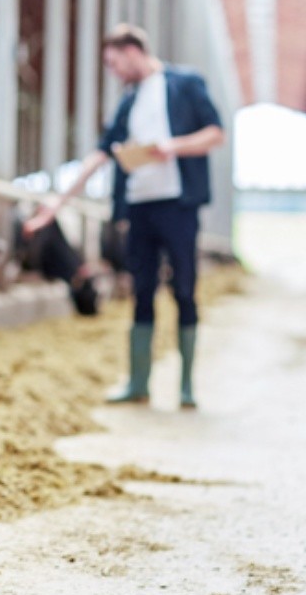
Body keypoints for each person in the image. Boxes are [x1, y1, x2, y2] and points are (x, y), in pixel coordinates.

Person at [23, 24, 225, 409]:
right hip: (139, 208)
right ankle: (138, 382)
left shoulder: (185, 84)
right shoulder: (128, 103)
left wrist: (173, 147)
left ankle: (186, 386)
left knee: (184, 288)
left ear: (132, 51)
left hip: (178, 205)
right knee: (141, 291)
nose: (113, 72)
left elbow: (216, 133)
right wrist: (56, 204)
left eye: (114, 63)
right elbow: (99, 156)